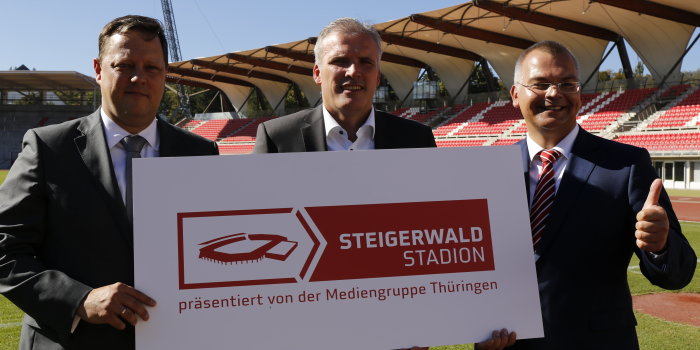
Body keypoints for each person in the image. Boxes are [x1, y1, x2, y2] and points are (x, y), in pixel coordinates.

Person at [0, 15, 219, 349]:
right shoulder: (49, 147)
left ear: (166, 75)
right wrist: (78, 300)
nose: (139, 78)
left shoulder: (201, 153)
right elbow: (5, 246)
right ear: (99, 69)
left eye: (152, 68)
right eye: (124, 64)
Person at [507, 40, 696, 349]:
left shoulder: (627, 165)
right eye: (540, 84)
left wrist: (661, 245)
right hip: (510, 343)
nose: (554, 93)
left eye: (567, 83)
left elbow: (679, 273)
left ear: (580, 94)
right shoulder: (489, 172)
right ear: (515, 94)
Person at [253, 17, 436, 153]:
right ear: (317, 74)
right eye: (340, 61)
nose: (354, 71)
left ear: (378, 76)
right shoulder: (276, 138)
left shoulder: (417, 139)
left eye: (366, 62)